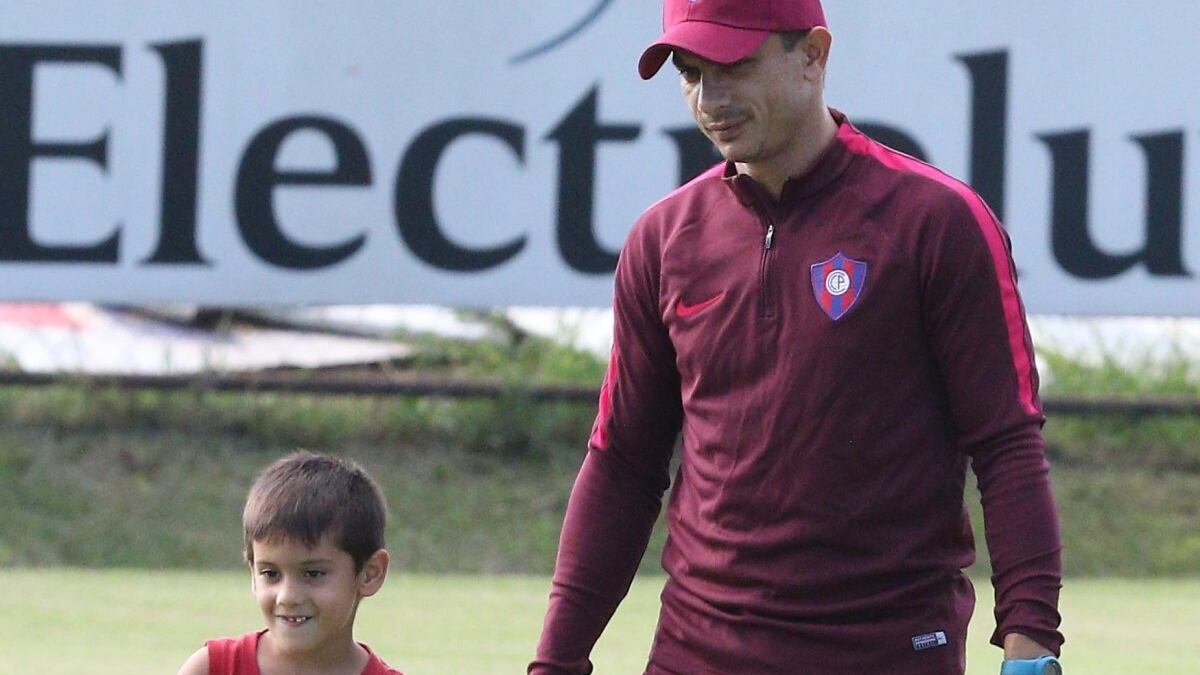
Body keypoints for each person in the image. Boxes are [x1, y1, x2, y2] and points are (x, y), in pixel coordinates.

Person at [530, 1, 1064, 673]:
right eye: (690, 72)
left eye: (733, 66)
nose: (709, 99)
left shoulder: (936, 222)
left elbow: (1007, 445)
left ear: (812, 55)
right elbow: (622, 465)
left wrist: (1030, 648)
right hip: (695, 656)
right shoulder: (663, 240)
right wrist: (556, 661)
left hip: (885, 656)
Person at [177, 451, 404, 675]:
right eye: (270, 573)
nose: (287, 597)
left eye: (313, 573)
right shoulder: (211, 669)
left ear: (370, 573)